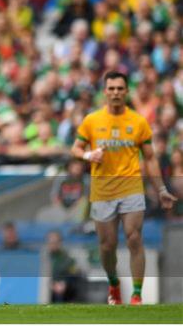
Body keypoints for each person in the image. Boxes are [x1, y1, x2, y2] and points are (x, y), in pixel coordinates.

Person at [71, 71, 177, 304]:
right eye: (112, 89)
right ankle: (114, 285)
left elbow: (150, 158)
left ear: (126, 91)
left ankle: (137, 295)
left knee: (133, 238)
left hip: (131, 188)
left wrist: (160, 189)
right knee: (107, 246)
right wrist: (89, 154)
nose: (116, 93)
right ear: (105, 91)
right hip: (102, 190)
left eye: (120, 88)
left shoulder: (138, 121)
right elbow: (75, 149)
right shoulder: (92, 120)